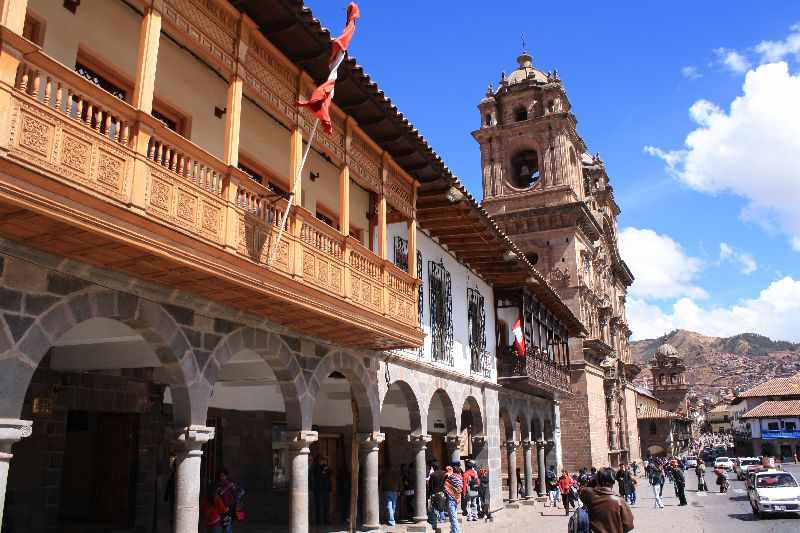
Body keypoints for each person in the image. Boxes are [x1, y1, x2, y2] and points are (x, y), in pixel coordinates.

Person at [579, 468, 634, 533]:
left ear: (597, 481)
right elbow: (629, 525)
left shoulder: (589, 497)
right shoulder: (620, 501)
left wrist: (594, 481)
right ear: (613, 482)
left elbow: (583, 490)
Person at [312, 456, 332, 525]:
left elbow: (330, 473)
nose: (323, 462)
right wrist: (323, 471)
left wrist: (325, 470)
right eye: (322, 460)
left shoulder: (326, 466)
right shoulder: (316, 467)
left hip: (326, 489)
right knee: (318, 505)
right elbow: (318, 476)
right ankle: (318, 521)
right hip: (318, 489)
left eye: (324, 461)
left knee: (326, 505)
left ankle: (326, 520)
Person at [444, 464, 463, 533]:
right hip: (457, 498)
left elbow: (446, 484)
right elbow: (460, 488)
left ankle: (456, 531)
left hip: (451, 499)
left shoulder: (451, 477)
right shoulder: (460, 477)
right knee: (454, 516)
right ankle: (453, 530)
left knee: (453, 517)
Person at [427, 462, 446, 529]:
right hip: (442, 492)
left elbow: (430, 486)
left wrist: (429, 494)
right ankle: (442, 520)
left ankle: (435, 522)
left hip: (434, 493)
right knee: (441, 506)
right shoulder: (444, 473)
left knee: (434, 507)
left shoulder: (432, 475)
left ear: (433, 467)